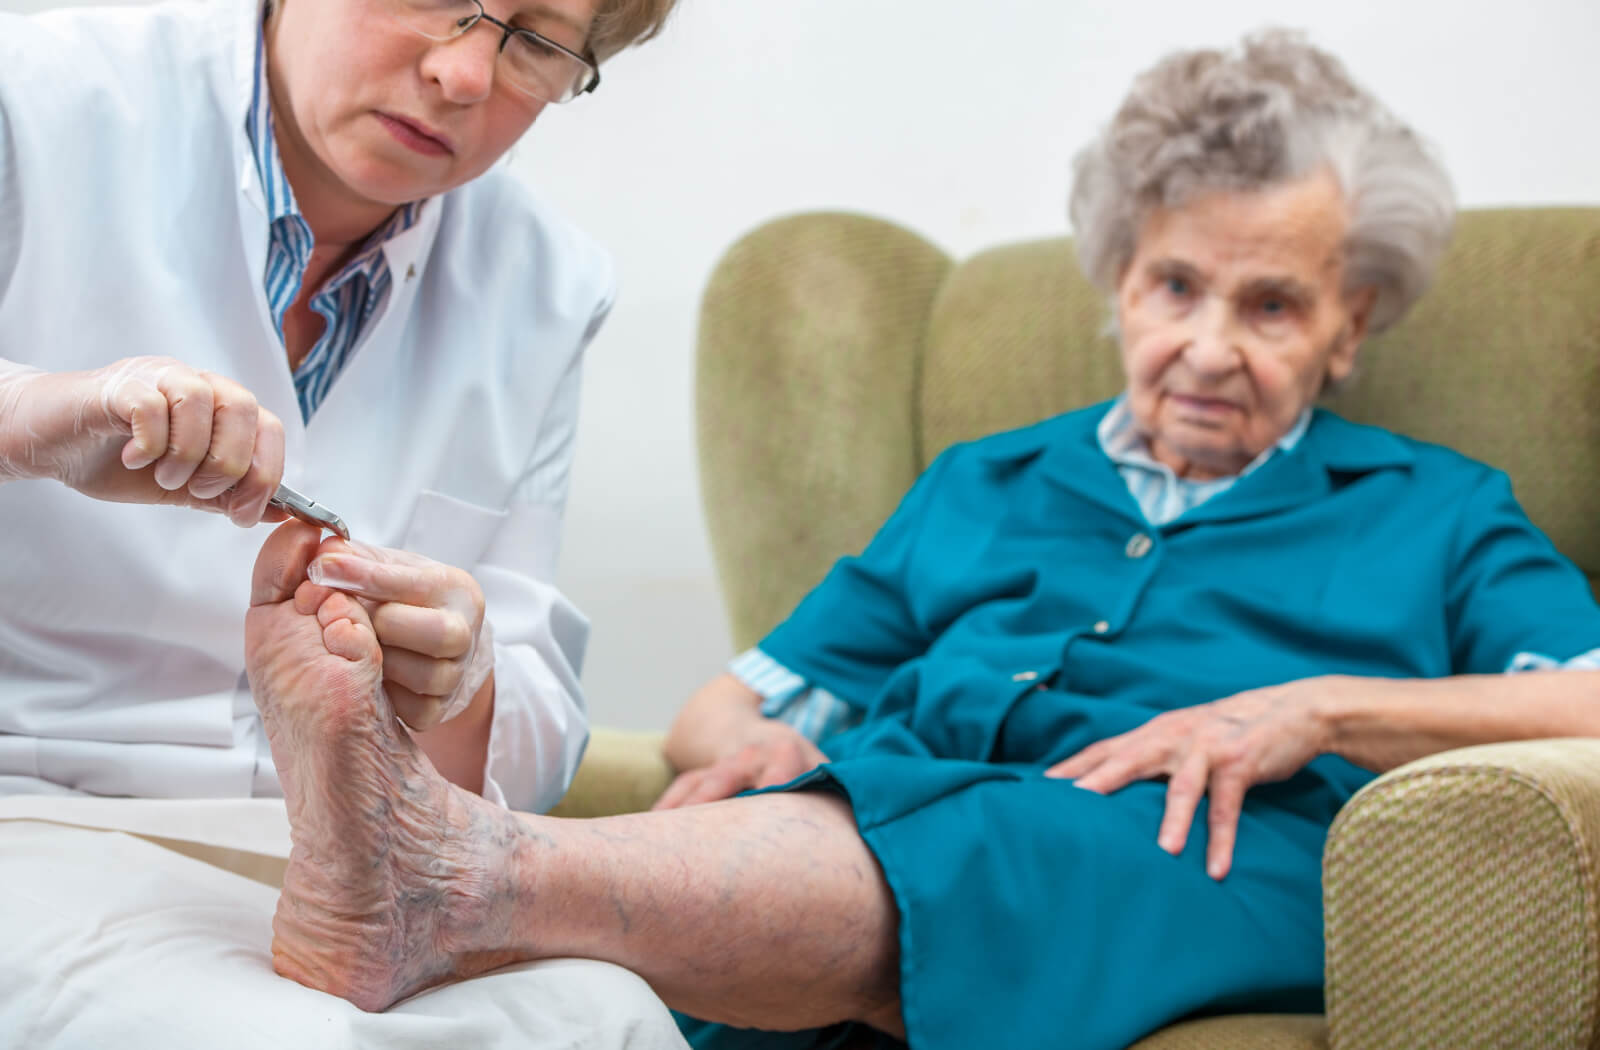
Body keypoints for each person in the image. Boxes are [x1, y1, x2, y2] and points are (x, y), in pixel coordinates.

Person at [226, 29, 1600, 1050]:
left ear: (1352, 327)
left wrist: (1315, 707)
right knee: (763, 849)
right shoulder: (985, 480)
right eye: (1176, 284)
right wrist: (739, 752)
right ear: (1119, 285)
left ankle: (450, 874)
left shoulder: (1437, 506)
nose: (1209, 345)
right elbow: (733, 698)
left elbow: (1586, 696)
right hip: (884, 806)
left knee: (1003, 832)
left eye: (1275, 306)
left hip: (1214, 853)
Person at [0, 0, 687, 1046]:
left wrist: (459, 677)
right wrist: (33, 420)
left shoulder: (546, 282)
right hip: (32, 803)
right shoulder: (33, 97)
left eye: (539, 43)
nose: (464, 73)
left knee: (608, 1019)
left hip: (321, 845)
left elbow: (529, 703)